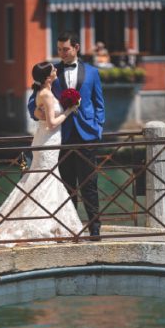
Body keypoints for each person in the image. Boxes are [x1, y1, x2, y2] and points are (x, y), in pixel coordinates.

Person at [0, 62, 83, 246]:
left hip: (47, 139)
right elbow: (52, 123)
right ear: (48, 77)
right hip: (47, 139)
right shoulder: (46, 94)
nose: (56, 70)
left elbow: (41, 115)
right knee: (46, 177)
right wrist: (70, 110)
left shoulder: (45, 92)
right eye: (53, 70)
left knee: (46, 178)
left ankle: (54, 222)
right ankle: (45, 223)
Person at [27, 31, 107, 239]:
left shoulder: (92, 72)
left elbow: (99, 104)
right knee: (66, 185)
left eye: (65, 49)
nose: (61, 53)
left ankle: (94, 228)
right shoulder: (52, 73)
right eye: (59, 49)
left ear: (76, 48)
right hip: (61, 136)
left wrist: (98, 126)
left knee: (89, 184)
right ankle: (70, 227)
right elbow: (33, 101)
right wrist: (37, 113)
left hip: (87, 135)